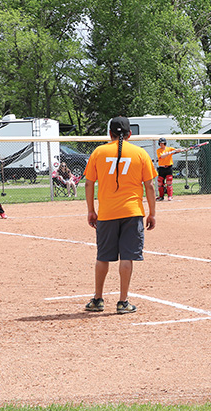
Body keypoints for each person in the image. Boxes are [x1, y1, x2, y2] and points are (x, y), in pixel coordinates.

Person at [84, 117, 157, 314]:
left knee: (103, 257)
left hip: (107, 214)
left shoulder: (99, 152)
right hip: (132, 213)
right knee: (127, 257)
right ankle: (123, 302)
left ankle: (98, 299)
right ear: (130, 134)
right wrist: (152, 213)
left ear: (110, 134)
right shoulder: (140, 153)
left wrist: (91, 210)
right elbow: (149, 186)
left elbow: (89, 183)